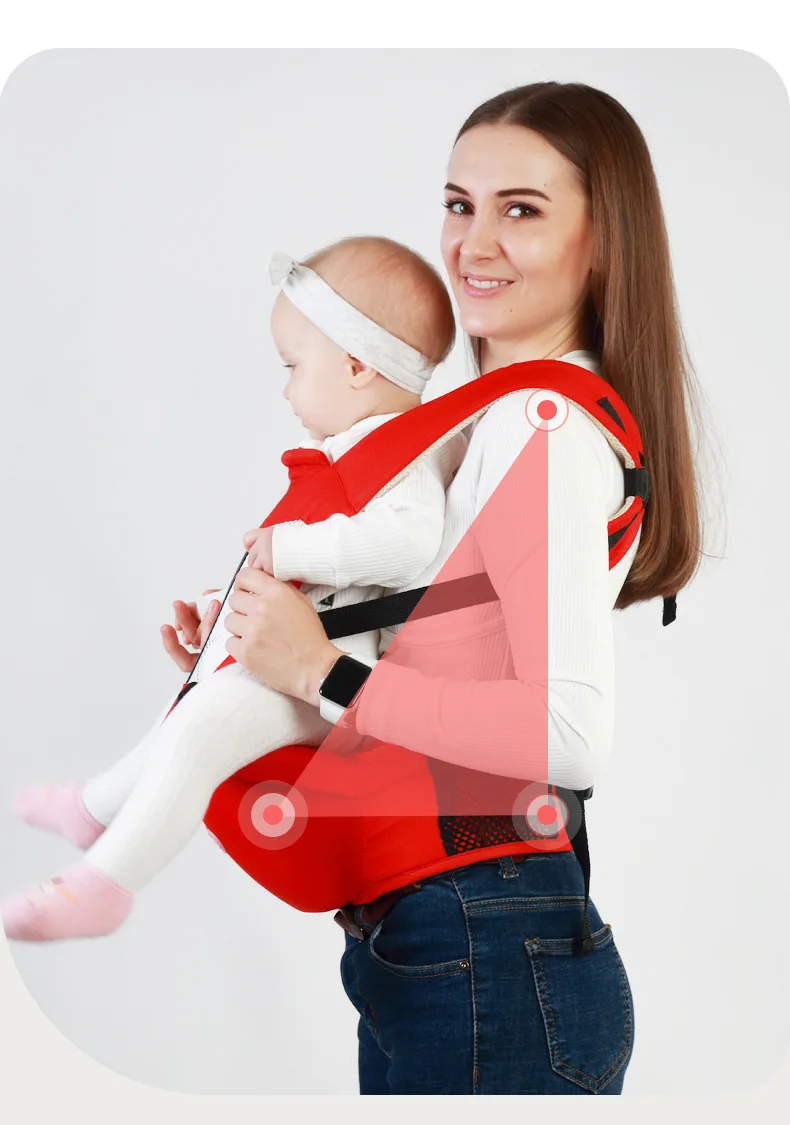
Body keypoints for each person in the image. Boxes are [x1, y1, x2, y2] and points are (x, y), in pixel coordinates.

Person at [166, 82, 705, 1095]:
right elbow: (448, 644)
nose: (472, 243)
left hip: (483, 933)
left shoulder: (540, 428)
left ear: (601, 240)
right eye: (459, 204)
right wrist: (264, 636)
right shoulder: (501, 415)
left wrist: (319, 670)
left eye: (521, 209)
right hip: (461, 931)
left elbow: (568, 733)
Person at [2, 236, 467, 943]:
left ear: (356, 364)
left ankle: (103, 885)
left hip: (338, 675)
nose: (285, 389)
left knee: (199, 733)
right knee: (189, 711)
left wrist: (293, 547)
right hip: (307, 652)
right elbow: (330, 580)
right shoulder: (358, 449)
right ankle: (95, 808)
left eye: (293, 365)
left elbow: (409, 543)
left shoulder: (407, 450)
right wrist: (229, 619)